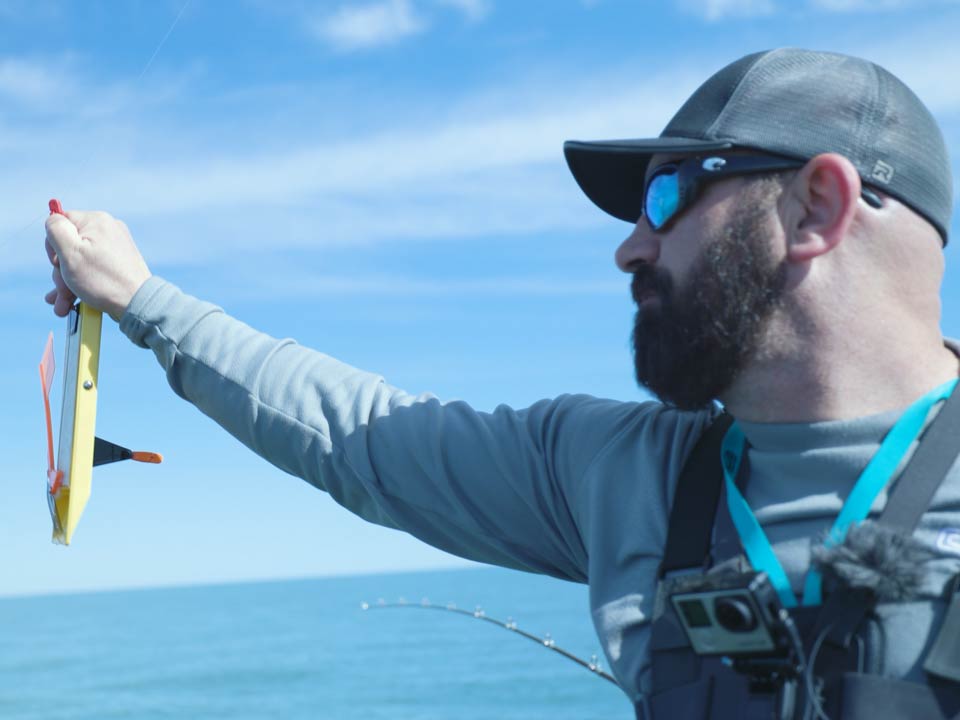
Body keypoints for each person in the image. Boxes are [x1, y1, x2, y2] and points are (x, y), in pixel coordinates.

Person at [43, 48, 960, 718]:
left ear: (819, 208)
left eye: (668, 195)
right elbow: (361, 436)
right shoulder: (621, 474)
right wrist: (137, 297)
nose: (630, 247)